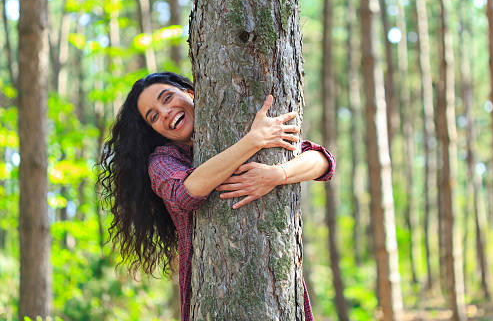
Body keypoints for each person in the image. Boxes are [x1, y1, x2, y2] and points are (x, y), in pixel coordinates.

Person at [98, 72, 335, 321]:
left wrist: (278, 174)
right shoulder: (162, 162)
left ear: (188, 92)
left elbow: (322, 160)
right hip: (216, 299)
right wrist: (254, 141)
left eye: (167, 98)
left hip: (277, 289)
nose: (165, 112)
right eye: (154, 116)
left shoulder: (230, 125)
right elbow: (184, 193)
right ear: (154, 130)